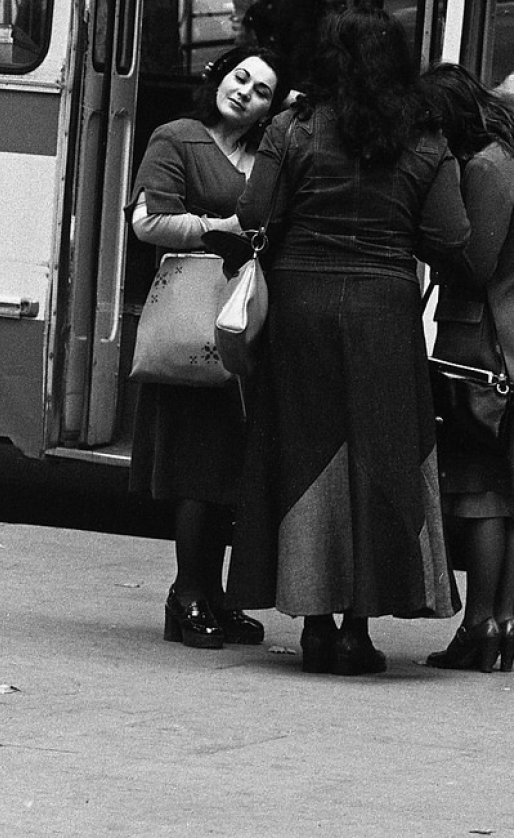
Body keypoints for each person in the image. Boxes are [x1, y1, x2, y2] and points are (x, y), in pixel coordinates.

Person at [226, 6, 472, 676]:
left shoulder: (293, 127)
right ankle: (358, 629)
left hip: (299, 306)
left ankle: (313, 624)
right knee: (377, 461)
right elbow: (449, 238)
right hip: (384, 313)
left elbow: (254, 214)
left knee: (303, 455)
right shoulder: (425, 137)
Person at [127, 45, 289, 650]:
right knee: (199, 462)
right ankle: (187, 594)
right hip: (197, 319)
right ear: (219, 76)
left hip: (246, 325)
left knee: (230, 467)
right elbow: (146, 221)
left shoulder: (269, 152)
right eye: (240, 77)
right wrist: (215, 228)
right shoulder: (180, 137)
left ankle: (214, 596)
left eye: (263, 90)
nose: (245, 91)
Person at [420, 63, 514, 673]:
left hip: (481, 339)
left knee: (482, 487)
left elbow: (473, 263)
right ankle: (504, 621)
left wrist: (428, 247)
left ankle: (478, 624)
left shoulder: (482, 166)